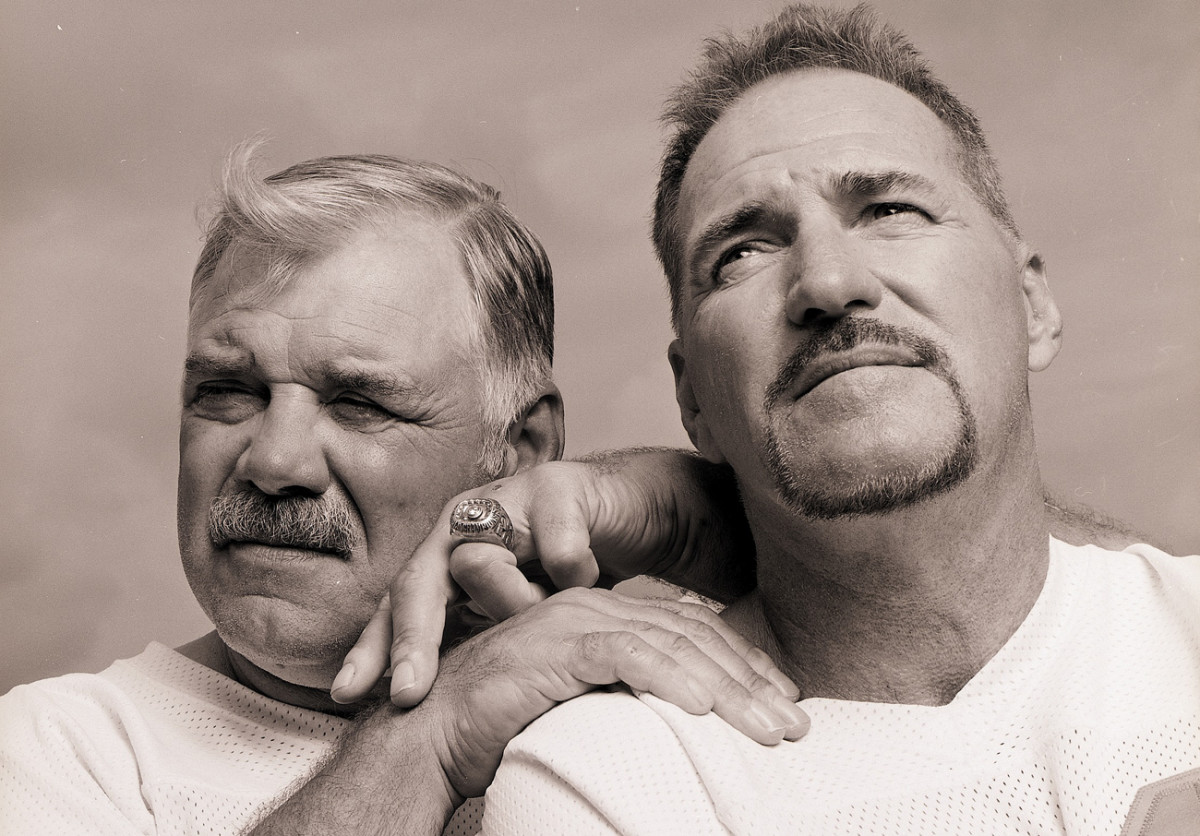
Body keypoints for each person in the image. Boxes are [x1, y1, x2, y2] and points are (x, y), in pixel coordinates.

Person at [476, 5, 1200, 834]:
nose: (827, 281)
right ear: (692, 399)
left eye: (892, 209)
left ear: (1031, 305)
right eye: (742, 251)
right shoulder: (607, 780)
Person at [0, 148, 809, 836]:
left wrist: (679, 505)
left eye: (359, 403)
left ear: (520, 449)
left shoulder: (658, 668)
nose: (275, 461)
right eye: (227, 390)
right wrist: (427, 736)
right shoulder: (61, 750)